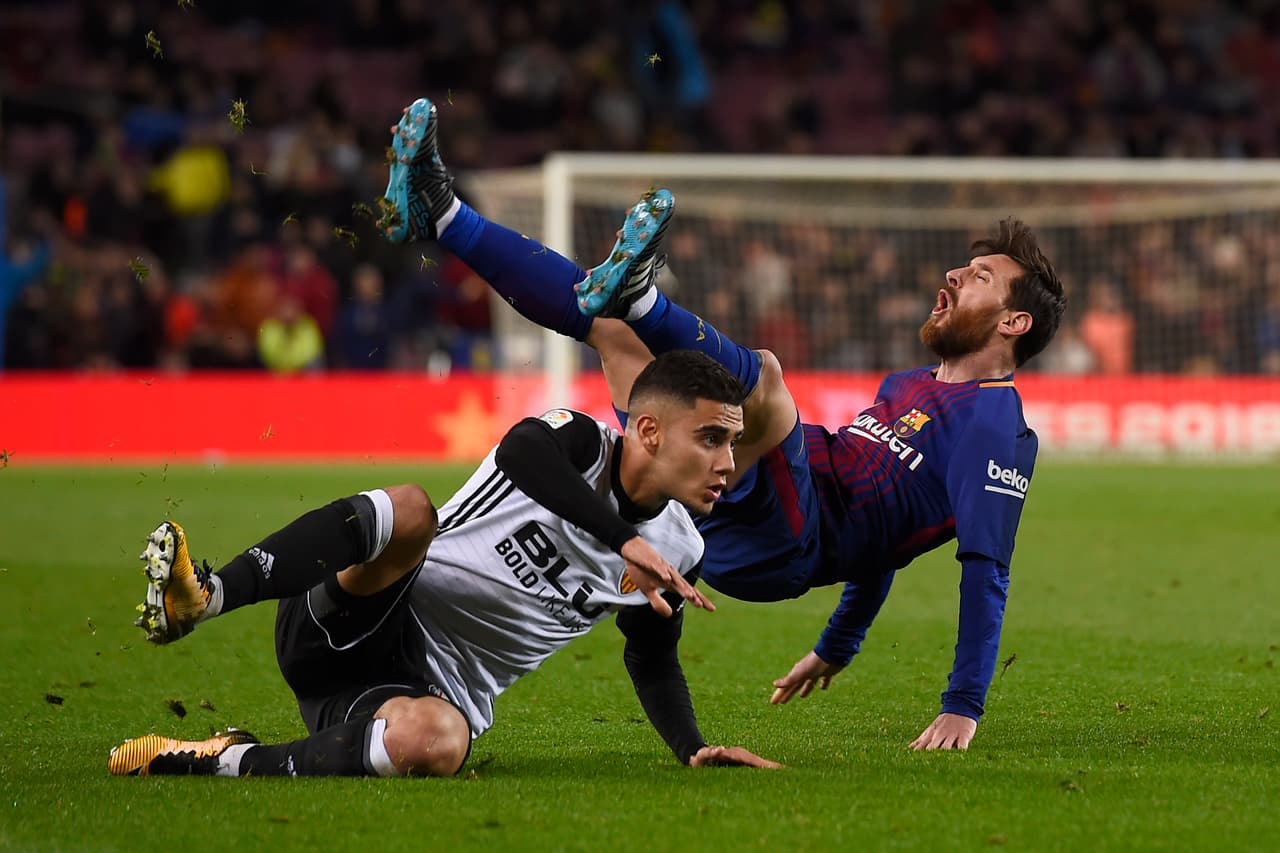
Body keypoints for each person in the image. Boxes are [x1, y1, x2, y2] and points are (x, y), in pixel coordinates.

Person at [381, 97, 1067, 750]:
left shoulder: (994, 428)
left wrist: (963, 702)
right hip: (725, 508)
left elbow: (987, 567)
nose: (953, 273)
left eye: (978, 275)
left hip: (788, 539)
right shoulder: (909, 386)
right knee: (615, 336)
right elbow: (886, 543)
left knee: (764, 376)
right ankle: (442, 216)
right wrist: (837, 645)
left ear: (1013, 322)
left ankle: (645, 294)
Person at [108, 350, 781, 776]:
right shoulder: (578, 443)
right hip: (362, 612)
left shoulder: (681, 547)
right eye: (712, 437)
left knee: (439, 743)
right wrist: (619, 537)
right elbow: (521, 450)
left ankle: (221, 759)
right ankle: (207, 593)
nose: (726, 462)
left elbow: (652, 655)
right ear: (649, 430)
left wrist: (691, 746)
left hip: (404, 697)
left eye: (732, 442)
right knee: (409, 509)